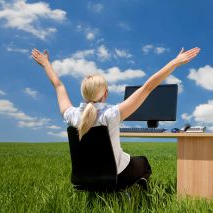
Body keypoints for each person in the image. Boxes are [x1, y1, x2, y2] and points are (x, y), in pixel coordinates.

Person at [31, 46, 200, 190]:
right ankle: (139, 196)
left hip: (84, 178)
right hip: (116, 178)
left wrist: (46, 64)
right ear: (105, 94)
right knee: (143, 162)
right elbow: (148, 87)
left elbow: (58, 85)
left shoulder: (72, 116)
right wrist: (175, 62)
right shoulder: (111, 115)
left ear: (84, 94)